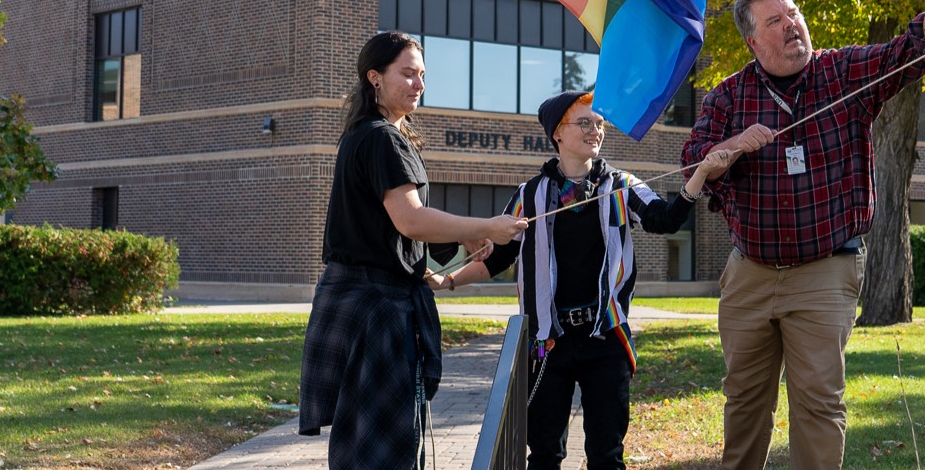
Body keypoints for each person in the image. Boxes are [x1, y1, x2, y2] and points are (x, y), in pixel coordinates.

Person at [682, 0, 925, 470]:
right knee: (745, 405)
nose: (791, 24)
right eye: (775, 20)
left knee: (819, 404)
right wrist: (729, 147)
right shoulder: (728, 96)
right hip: (749, 272)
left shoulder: (841, 72)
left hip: (824, 270)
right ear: (753, 41)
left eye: (793, 13)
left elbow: (904, 56)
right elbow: (693, 161)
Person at [444, 90, 735, 470]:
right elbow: (497, 258)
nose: (595, 130)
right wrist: (447, 282)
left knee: (606, 456)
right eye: (585, 122)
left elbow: (664, 219)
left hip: (606, 340)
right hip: (548, 343)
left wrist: (698, 176)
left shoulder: (622, 185)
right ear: (558, 134)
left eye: (599, 124)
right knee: (544, 454)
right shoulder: (529, 195)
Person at [299, 31, 528, 469]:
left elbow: (392, 223)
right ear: (374, 78)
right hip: (374, 308)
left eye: (422, 75)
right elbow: (409, 218)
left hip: (362, 302)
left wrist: (459, 236)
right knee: (382, 452)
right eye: (406, 73)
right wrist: (485, 226)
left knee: (364, 443)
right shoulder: (382, 137)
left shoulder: (367, 135)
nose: (418, 83)